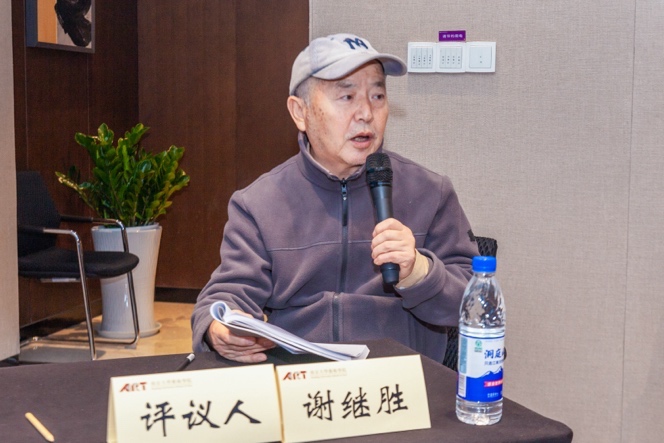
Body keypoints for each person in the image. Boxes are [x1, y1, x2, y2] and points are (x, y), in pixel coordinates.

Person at [191, 33, 479, 363]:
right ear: (300, 112)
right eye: (347, 96)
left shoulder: (429, 192)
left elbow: (473, 302)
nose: (366, 113)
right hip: (300, 376)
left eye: (378, 95)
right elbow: (228, 293)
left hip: (399, 379)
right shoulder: (259, 203)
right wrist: (218, 328)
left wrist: (418, 270)